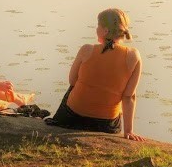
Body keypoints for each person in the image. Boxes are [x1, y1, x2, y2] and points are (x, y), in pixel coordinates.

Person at [47, 8, 145, 141]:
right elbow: (129, 97)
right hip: (106, 125)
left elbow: (72, 81)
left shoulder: (86, 50)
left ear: (105, 31)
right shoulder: (134, 56)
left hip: (72, 118)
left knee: (74, 87)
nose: (96, 29)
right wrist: (128, 131)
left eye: (98, 26)